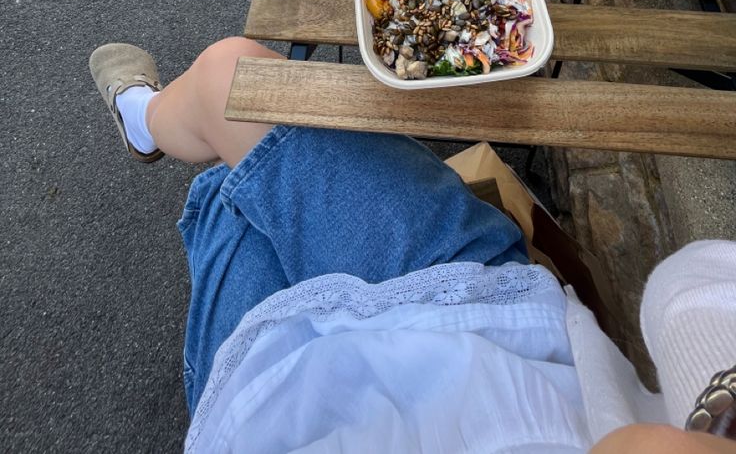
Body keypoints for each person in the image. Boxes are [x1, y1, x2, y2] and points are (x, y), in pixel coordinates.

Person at [90, 38, 736, 454]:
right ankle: (151, 121)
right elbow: (694, 284)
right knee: (230, 88)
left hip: (269, 409)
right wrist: (714, 404)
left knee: (232, 194)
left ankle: (144, 118)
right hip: (488, 321)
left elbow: (692, 287)